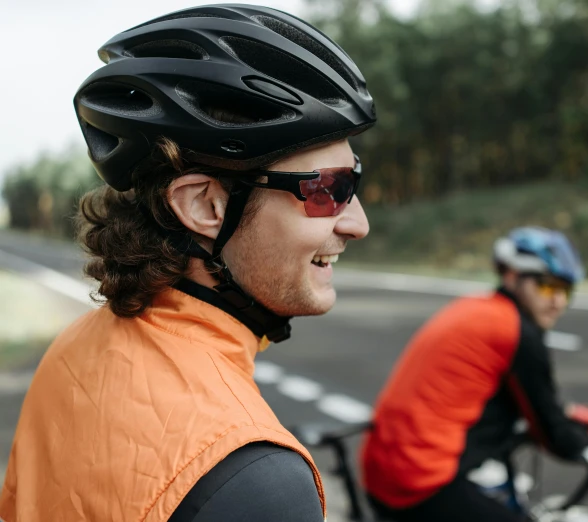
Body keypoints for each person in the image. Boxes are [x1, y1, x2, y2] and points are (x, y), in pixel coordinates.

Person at [0, 5, 375, 521]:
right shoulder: (255, 479)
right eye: (328, 189)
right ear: (205, 205)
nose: (358, 222)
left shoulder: (74, 346)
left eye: (353, 180)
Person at [361, 227, 588, 522]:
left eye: (566, 290)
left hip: (380, 471)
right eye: (548, 287)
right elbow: (551, 430)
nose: (558, 302)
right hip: (419, 484)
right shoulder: (516, 331)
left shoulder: (476, 306)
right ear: (512, 276)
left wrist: (569, 414)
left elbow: (499, 400)